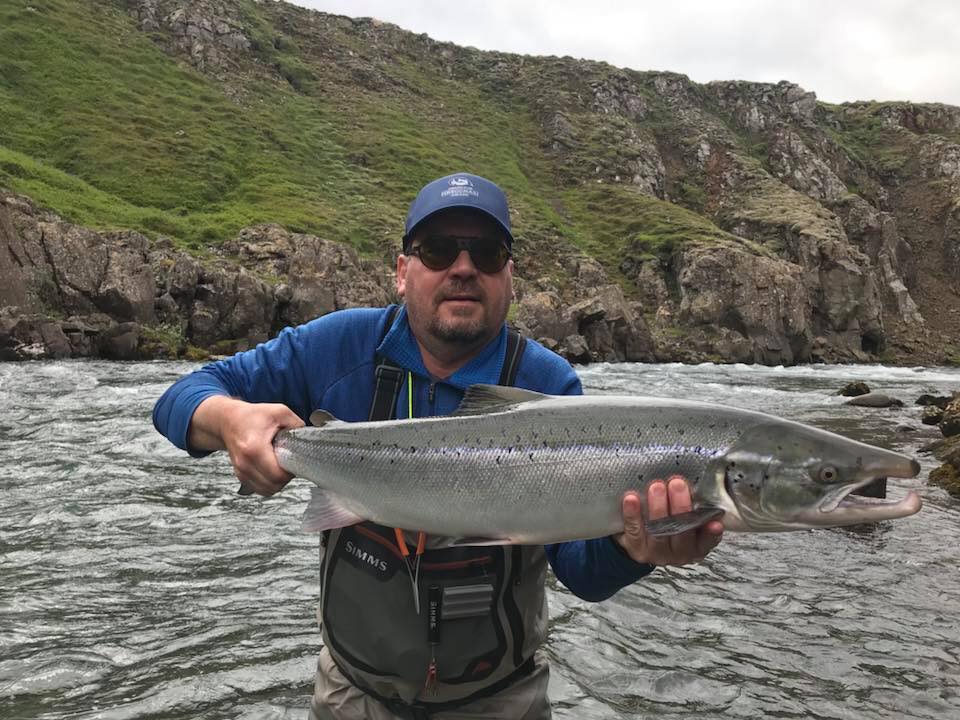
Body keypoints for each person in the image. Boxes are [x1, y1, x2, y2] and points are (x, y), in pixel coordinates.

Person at [152, 172, 724, 719]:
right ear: (402, 271)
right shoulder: (334, 347)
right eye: (438, 249)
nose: (463, 268)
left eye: (488, 254)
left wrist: (635, 551)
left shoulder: (550, 387)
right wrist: (228, 421)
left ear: (509, 278)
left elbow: (580, 572)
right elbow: (180, 399)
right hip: (352, 696)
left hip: (502, 701)